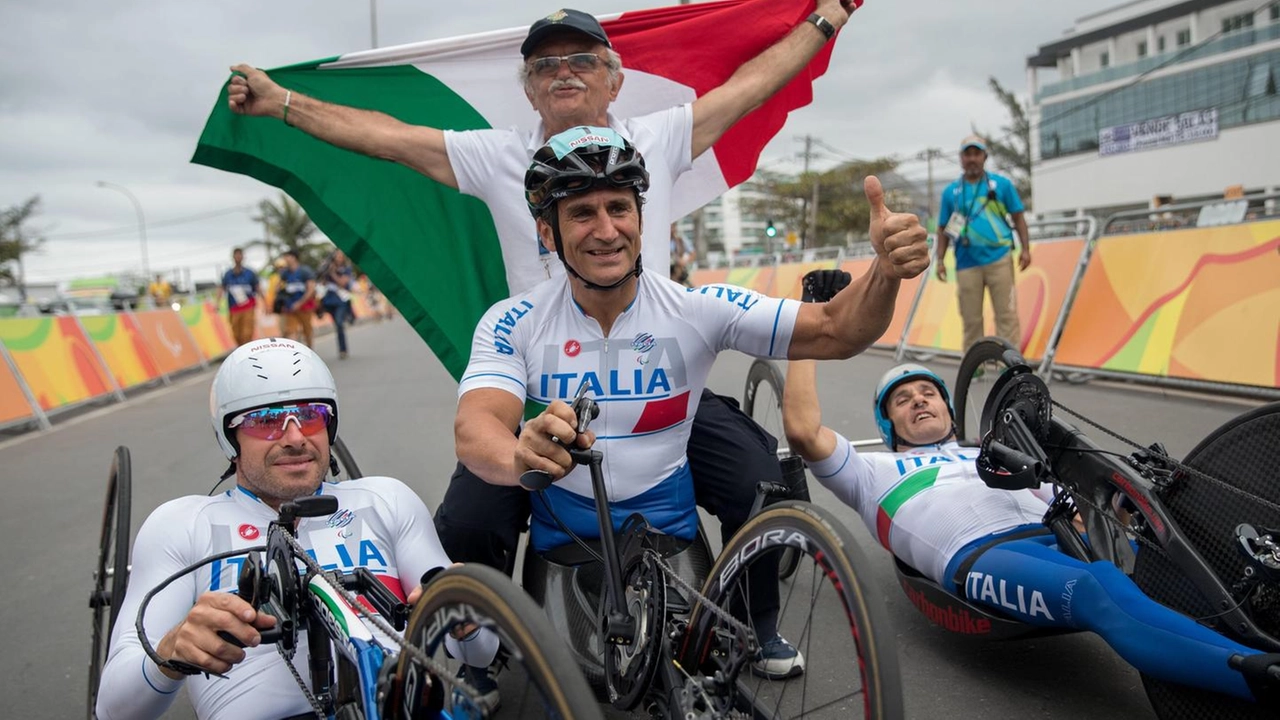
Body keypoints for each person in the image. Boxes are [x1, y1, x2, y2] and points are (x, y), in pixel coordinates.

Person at [228, 1, 866, 580]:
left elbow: (752, 87)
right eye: (545, 65)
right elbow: (386, 138)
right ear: (530, 90)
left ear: (614, 79)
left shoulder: (659, 138)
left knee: (762, 485)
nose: (564, 72)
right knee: (467, 527)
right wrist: (281, 102)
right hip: (541, 393)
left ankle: (753, 623)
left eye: (583, 59)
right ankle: (496, 648)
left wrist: (827, 16)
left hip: (658, 380)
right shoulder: (495, 155)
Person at [453, 127, 928, 677]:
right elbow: (476, 425)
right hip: (563, 531)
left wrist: (885, 275)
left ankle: (760, 626)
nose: (606, 230)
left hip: (666, 525)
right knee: (468, 516)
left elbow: (835, 330)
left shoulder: (694, 307)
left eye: (619, 208)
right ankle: (475, 655)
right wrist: (518, 457)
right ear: (547, 231)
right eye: (582, 213)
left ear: (641, 217)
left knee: (762, 481)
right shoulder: (514, 319)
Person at [779, 269, 1278, 706]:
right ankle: (1260, 678)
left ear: (950, 410)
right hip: (979, 556)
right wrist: (809, 322)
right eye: (903, 400)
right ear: (888, 427)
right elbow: (803, 431)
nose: (919, 401)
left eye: (928, 392)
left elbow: (1081, 511)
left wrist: (1127, 513)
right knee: (1095, 589)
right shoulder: (872, 474)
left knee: (1176, 536)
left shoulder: (995, 453)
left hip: (1056, 536)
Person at [94, 338, 499, 719]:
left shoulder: (386, 500)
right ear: (229, 437)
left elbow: (480, 653)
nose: (294, 437)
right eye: (267, 420)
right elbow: (112, 709)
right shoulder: (182, 525)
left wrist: (465, 620)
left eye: (310, 415)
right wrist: (170, 652)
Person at [935, 135, 1031, 353]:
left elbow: (1018, 217)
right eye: (967, 154)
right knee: (970, 318)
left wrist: (1025, 249)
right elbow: (943, 229)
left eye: (976, 154)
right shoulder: (951, 192)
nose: (972, 159)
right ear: (960, 158)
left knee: (1006, 314)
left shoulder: (1002, 185)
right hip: (966, 263)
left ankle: (1009, 363)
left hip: (999, 258)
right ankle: (973, 366)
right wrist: (940, 260)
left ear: (984, 157)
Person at [217, 247, 262, 346]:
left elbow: (258, 287)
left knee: (247, 332)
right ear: (233, 257)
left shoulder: (250, 273)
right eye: (236, 255)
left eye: (240, 255)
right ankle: (240, 350)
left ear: (243, 257)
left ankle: (247, 350)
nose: (238, 257)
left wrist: (265, 302)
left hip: (248, 307)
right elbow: (221, 288)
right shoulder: (228, 274)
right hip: (234, 308)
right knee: (236, 333)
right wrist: (217, 302)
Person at [319, 249, 356, 359]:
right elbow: (321, 282)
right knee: (337, 324)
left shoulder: (346, 269)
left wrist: (333, 273)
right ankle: (350, 315)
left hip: (341, 300)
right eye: (337, 256)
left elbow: (342, 283)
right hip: (328, 301)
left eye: (341, 256)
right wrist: (324, 270)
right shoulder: (328, 267)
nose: (339, 258)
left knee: (339, 323)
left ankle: (343, 350)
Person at [277, 250, 316, 348]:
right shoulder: (285, 273)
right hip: (290, 308)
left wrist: (300, 303)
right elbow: (279, 287)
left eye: (287, 256)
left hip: (305, 306)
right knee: (291, 331)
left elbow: (311, 289)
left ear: (294, 257)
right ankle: (294, 354)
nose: (285, 259)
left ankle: (310, 350)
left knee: (307, 330)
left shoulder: (305, 271)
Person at [669, 222, 695, 287]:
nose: (672, 229)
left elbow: (692, 253)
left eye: (673, 227)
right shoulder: (660, 242)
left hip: (679, 273)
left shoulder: (680, 240)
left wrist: (683, 261)